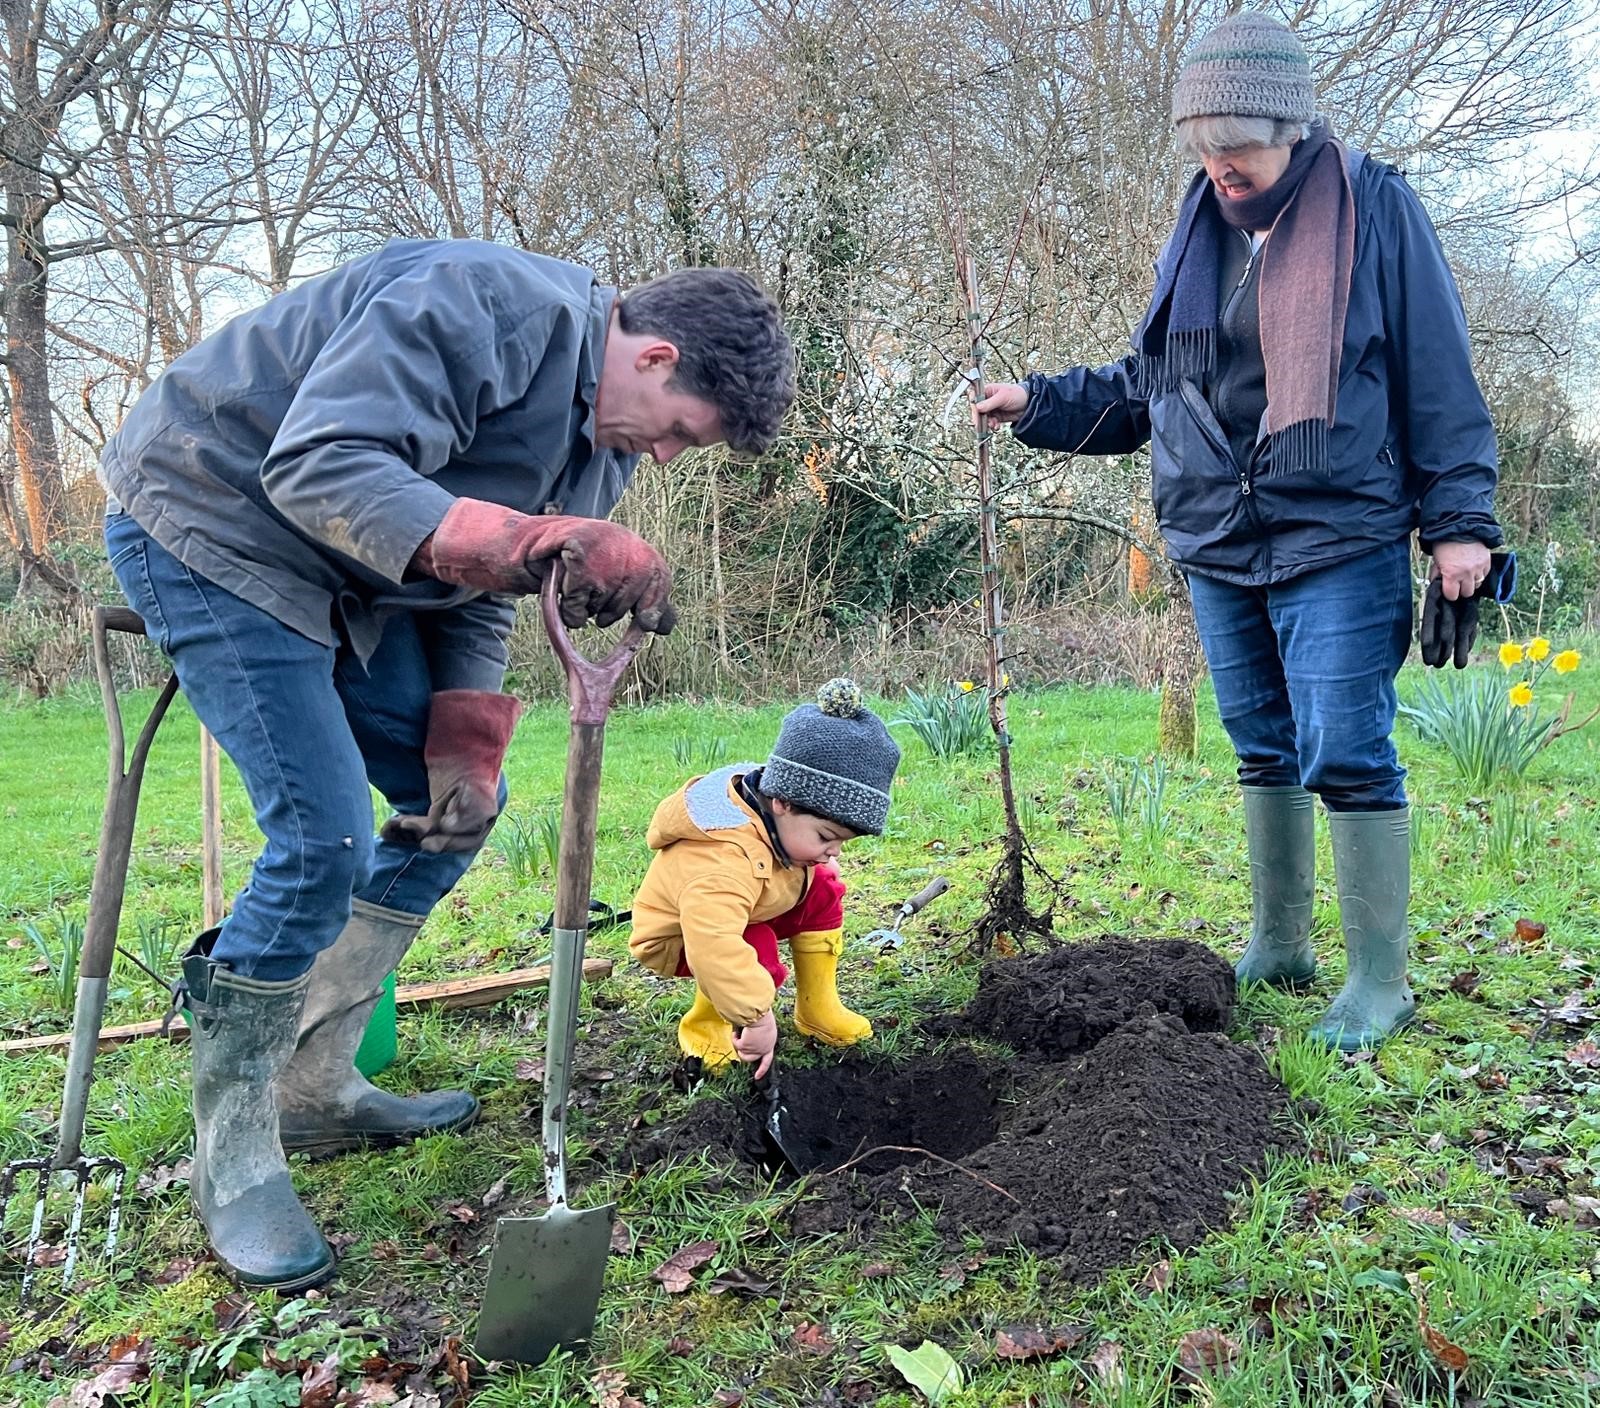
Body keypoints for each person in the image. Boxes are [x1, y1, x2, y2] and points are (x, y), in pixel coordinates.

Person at [99, 239, 795, 1290]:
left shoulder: (597, 444)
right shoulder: (482, 305)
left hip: (351, 582)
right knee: (321, 833)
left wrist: (466, 737)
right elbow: (318, 463)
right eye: (680, 435)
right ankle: (233, 1150)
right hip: (213, 522)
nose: (663, 460)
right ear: (654, 357)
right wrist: (527, 542)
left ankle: (316, 1078)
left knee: (459, 807)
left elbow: (481, 586)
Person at [975, 14, 1504, 1051]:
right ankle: (1279, 941)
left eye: (1239, 149)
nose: (1220, 167)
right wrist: (1033, 400)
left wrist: (1458, 525)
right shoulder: (1200, 226)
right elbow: (1152, 386)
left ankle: (1377, 980)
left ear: (1291, 131)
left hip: (1336, 531)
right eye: (1204, 148)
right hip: (1216, 535)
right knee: (1260, 746)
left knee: (1345, 748)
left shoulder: (1374, 208)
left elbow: (1438, 377)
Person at [629, 679, 901, 1077]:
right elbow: (714, 944)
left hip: (754, 901)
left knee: (823, 886)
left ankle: (816, 1005)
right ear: (783, 803)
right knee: (755, 948)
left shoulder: (775, 818)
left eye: (842, 841)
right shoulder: (720, 862)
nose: (835, 849)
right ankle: (707, 1025)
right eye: (827, 837)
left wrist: (818, 857)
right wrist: (756, 1018)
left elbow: (784, 861)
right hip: (684, 937)